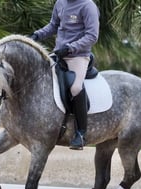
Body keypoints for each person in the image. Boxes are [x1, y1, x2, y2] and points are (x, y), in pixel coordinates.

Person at [30, 0, 100, 150]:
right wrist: (37, 35)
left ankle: (81, 133)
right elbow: (53, 25)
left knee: (75, 88)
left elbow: (92, 35)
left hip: (78, 56)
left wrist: (70, 48)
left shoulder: (88, 6)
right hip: (59, 54)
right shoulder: (60, 3)